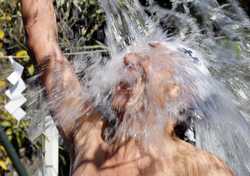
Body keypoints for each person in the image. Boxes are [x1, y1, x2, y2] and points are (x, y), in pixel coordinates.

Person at [20, 0, 234, 175]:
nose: (128, 58)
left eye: (148, 57)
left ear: (177, 90)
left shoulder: (200, 168)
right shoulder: (88, 136)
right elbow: (44, 44)